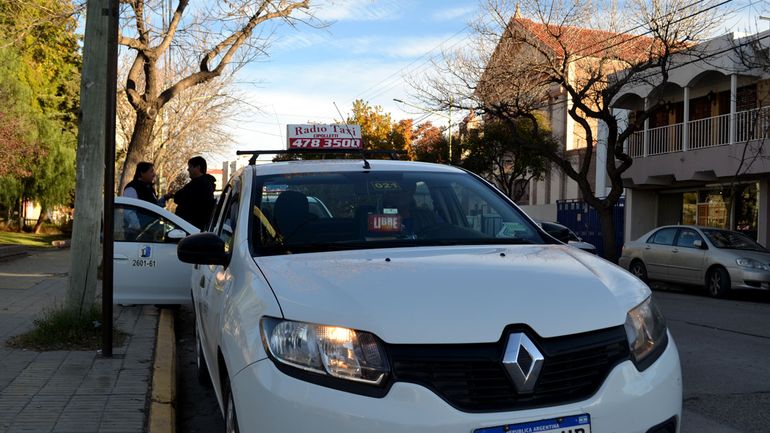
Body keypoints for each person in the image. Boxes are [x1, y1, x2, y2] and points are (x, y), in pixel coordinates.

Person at [168, 156, 216, 230]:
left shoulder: (200, 184)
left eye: (190, 166)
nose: (188, 169)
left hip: (191, 228)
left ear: (198, 168)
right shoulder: (199, 183)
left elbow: (181, 198)